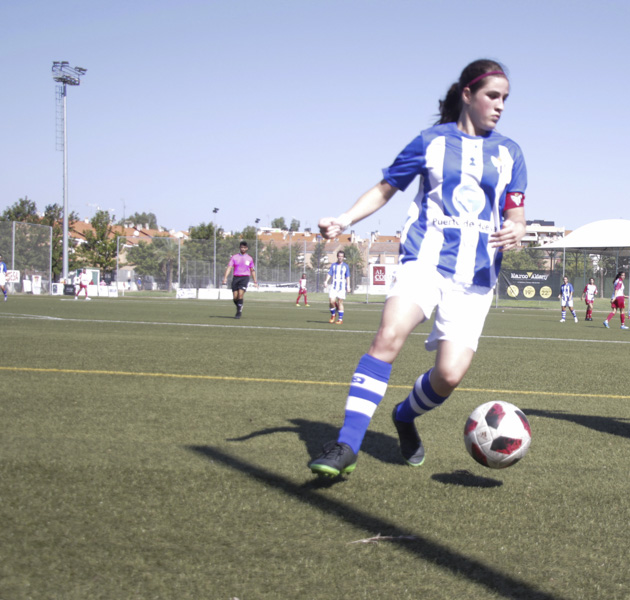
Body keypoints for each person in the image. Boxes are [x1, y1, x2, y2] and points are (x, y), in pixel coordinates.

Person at [309, 59, 527, 477]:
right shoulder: (431, 142)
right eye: (492, 96)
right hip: (424, 261)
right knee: (388, 336)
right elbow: (385, 189)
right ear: (467, 94)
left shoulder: (510, 153)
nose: (500, 106)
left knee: (448, 375)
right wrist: (344, 219)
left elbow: (515, 211)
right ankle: (346, 445)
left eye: (505, 99)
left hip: (476, 278)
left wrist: (516, 230)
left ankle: (405, 416)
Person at [221, 241, 256, 319]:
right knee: (235, 297)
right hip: (236, 278)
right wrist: (225, 278)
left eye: (244, 247)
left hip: (244, 278)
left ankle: (238, 312)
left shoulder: (249, 258)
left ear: (247, 248)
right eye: (241, 247)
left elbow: (252, 270)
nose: (243, 249)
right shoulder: (234, 257)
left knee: (240, 294)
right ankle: (240, 306)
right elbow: (229, 267)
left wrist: (255, 281)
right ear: (239, 248)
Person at [326, 250, 351, 324]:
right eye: (339, 256)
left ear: (343, 257)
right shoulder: (333, 265)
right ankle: (333, 315)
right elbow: (329, 274)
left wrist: (348, 286)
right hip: (334, 286)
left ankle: (340, 319)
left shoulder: (346, 266)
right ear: (337, 256)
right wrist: (326, 281)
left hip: (342, 287)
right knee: (331, 301)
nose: (340, 257)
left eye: (342, 256)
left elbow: (347, 276)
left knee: (340, 302)